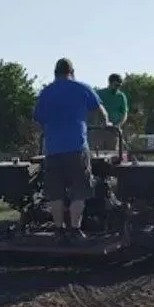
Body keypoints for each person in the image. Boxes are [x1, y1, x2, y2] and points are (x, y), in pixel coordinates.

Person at [33, 58, 110, 239]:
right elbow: (101, 112)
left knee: (56, 193)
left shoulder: (46, 92)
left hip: (52, 151)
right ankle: (75, 229)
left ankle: (59, 230)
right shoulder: (82, 88)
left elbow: (38, 119)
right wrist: (106, 124)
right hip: (76, 147)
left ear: (55, 72)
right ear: (72, 71)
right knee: (80, 190)